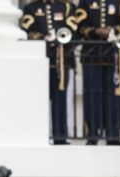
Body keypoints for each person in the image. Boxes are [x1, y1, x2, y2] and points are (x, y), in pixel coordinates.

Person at [20, 0, 79, 146]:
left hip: (61, 63)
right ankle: (42, 135)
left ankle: (61, 136)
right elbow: (27, 30)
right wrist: (43, 38)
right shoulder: (31, 8)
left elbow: (74, 30)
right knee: (40, 100)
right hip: (41, 63)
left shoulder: (66, 7)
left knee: (61, 101)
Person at [74, 0, 120, 146]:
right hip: (92, 55)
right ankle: (92, 134)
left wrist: (113, 30)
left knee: (114, 96)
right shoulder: (85, 2)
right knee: (92, 96)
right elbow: (80, 25)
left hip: (113, 56)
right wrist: (95, 31)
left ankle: (113, 134)